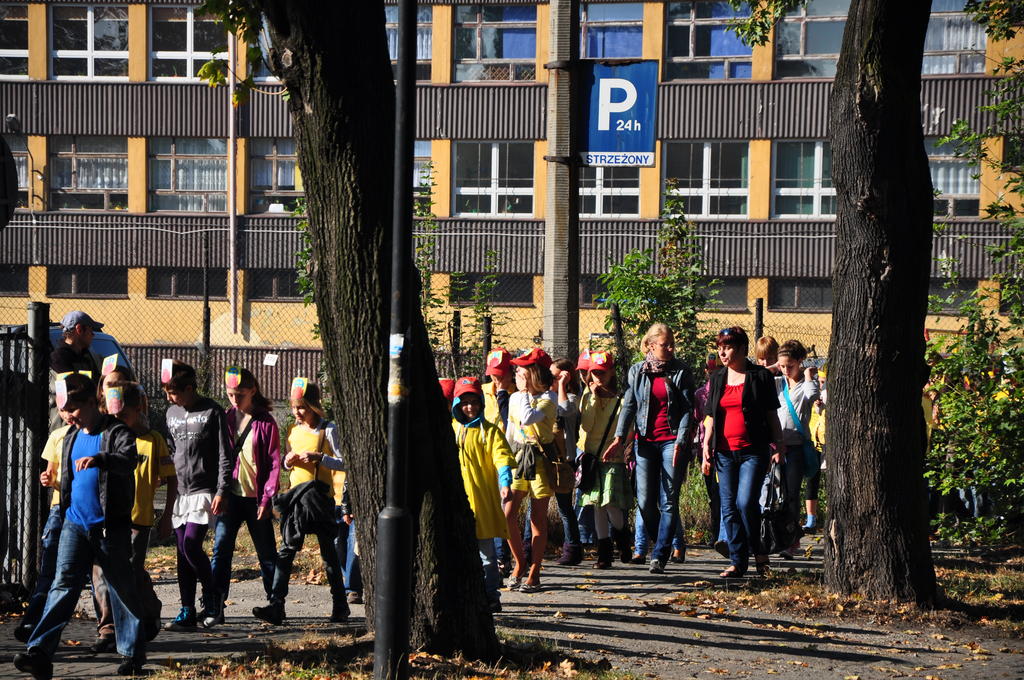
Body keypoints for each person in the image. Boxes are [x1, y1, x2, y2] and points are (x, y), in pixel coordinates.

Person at [14, 374, 146, 679]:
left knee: (121, 588)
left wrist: (101, 459)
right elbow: (69, 480)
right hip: (74, 523)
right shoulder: (70, 436)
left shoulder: (116, 431)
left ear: (91, 402)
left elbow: (128, 459)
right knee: (62, 585)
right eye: (63, 410)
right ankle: (39, 653)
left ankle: (132, 654)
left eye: (72, 408)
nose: (68, 415)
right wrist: (58, 497)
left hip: (109, 527)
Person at [254, 379, 347, 624]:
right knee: (286, 551)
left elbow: (344, 462)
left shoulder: (328, 429)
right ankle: (276, 605)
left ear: (314, 405)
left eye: (302, 407)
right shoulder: (292, 430)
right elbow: (286, 462)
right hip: (296, 500)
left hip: (319, 499)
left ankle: (340, 605)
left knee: (328, 555)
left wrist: (320, 458)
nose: (297, 412)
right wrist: (288, 461)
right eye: (294, 407)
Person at [90, 380, 175, 649]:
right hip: (104, 517)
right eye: (112, 415)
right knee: (100, 572)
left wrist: (168, 515)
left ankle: (148, 610)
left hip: (138, 518)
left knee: (130, 572)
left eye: (123, 415)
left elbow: (170, 478)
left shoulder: (152, 440)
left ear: (138, 410)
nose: (117, 421)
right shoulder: (102, 437)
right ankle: (108, 628)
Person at [606, 323, 694, 574]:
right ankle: (661, 542)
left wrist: (681, 441)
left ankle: (659, 554)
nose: (671, 348)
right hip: (644, 440)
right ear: (651, 345)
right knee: (644, 501)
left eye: (672, 344)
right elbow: (629, 406)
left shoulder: (681, 371)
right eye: (665, 344)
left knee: (669, 500)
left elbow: (687, 409)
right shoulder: (638, 371)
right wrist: (619, 437)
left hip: (671, 441)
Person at [701, 327, 786, 578]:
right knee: (728, 507)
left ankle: (759, 552)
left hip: (753, 451)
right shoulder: (718, 378)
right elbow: (710, 416)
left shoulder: (760, 376)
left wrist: (779, 445)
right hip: (724, 453)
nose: (722, 352)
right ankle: (738, 561)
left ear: (741, 349)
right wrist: (706, 444)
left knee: (746, 502)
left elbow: (771, 414)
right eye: (720, 347)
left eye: (727, 347)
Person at [161, 361, 233, 632]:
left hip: (204, 490)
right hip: (180, 491)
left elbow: (225, 453)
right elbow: (171, 449)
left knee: (191, 545)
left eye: (174, 393)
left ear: (189, 389)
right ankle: (187, 610)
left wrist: (222, 490)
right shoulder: (171, 413)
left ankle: (213, 599)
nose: (170, 398)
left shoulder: (212, 410)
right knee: (182, 553)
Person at [209, 367, 281, 626]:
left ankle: (275, 604)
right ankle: (215, 605)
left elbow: (273, 463)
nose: (235, 400)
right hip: (230, 496)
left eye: (240, 394)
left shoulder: (266, 422)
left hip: (256, 498)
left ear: (253, 391)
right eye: (230, 394)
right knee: (221, 550)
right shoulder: (226, 418)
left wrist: (267, 499)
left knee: (266, 553)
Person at [450, 376, 516, 611]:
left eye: (474, 402)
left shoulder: (490, 431)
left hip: (482, 501)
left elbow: (502, 458)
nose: (470, 407)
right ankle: (464, 596)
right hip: (457, 502)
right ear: (457, 404)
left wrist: (505, 483)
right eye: (465, 402)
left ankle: (491, 596)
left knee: (487, 555)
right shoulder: (451, 429)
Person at [14, 413, 73, 643]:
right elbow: (52, 474)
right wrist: (49, 479)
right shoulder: (57, 436)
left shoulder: (99, 435)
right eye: (64, 408)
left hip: (86, 511)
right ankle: (32, 623)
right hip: (60, 508)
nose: (68, 413)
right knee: (49, 572)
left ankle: (109, 629)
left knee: (99, 576)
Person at [503, 348, 557, 592]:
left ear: (534, 374)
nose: (516, 374)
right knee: (507, 514)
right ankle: (520, 562)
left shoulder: (549, 398)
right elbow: (511, 431)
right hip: (519, 458)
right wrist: (505, 463)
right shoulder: (515, 397)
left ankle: (535, 571)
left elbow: (527, 418)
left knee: (537, 519)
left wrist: (524, 392)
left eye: (521, 371)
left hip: (541, 460)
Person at [524, 357, 584, 566]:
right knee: (534, 504)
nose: (551, 379)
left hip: (563, 459)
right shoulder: (543, 397)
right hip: (542, 456)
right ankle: (528, 547)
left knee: (564, 507)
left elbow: (565, 409)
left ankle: (573, 548)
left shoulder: (572, 397)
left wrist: (562, 385)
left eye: (556, 376)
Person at [576, 352, 631, 568]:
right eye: (595, 373)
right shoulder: (587, 398)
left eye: (602, 372)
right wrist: (591, 398)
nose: (598, 377)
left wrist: (621, 447)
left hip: (613, 458)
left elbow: (627, 430)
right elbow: (587, 426)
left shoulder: (622, 400)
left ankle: (623, 538)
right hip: (592, 457)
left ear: (611, 372)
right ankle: (604, 554)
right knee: (597, 506)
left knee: (610, 504)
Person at [774, 340, 820, 560]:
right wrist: (773, 367)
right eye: (782, 365)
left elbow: (813, 396)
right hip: (776, 447)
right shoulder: (778, 383)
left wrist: (809, 376)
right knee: (777, 495)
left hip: (796, 448)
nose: (786, 370)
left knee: (792, 494)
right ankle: (778, 536)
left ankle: (792, 540)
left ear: (800, 361)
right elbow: (756, 377)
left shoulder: (805, 384)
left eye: (790, 365)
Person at [49, 311, 102, 376]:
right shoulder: (59, 358)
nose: (93, 335)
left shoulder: (86, 356)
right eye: (91, 331)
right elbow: (71, 381)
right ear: (79, 329)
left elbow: (95, 380)